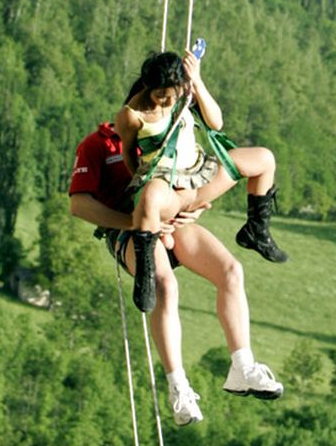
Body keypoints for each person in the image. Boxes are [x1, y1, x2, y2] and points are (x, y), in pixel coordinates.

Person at [69, 119, 283, 425]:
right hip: (130, 231)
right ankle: (178, 387)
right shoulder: (98, 145)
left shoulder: (170, 133)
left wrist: (191, 207)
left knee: (230, 271)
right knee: (164, 285)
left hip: (174, 222)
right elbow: (79, 204)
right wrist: (133, 222)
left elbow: (188, 179)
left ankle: (243, 366)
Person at [115, 49, 288, 316]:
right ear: (147, 86)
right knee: (151, 196)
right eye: (160, 95)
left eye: (171, 95)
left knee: (264, 160)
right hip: (166, 185)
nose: (166, 101)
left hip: (199, 175)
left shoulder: (184, 94)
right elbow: (128, 155)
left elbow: (216, 123)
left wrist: (197, 81)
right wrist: (142, 190)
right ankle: (146, 270)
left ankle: (256, 230)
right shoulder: (132, 114)